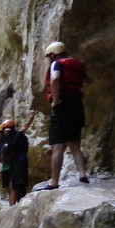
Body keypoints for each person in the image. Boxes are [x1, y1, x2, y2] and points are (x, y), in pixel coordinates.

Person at [38, 41, 89, 190]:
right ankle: (82, 174)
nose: (49, 59)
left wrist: (55, 100)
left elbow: (55, 79)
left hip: (62, 106)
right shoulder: (77, 65)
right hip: (77, 105)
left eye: (49, 56)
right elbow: (87, 81)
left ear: (53, 54)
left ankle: (54, 182)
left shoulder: (57, 64)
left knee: (58, 146)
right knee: (75, 144)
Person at [0, 113, 35, 205]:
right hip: (14, 164)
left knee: (20, 184)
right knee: (15, 184)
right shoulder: (8, 138)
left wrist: (31, 117)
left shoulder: (17, 135)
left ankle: (21, 202)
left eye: (6, 128)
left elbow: (24, 127)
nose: (5, 130)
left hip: (19, 163)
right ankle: (18, 203)